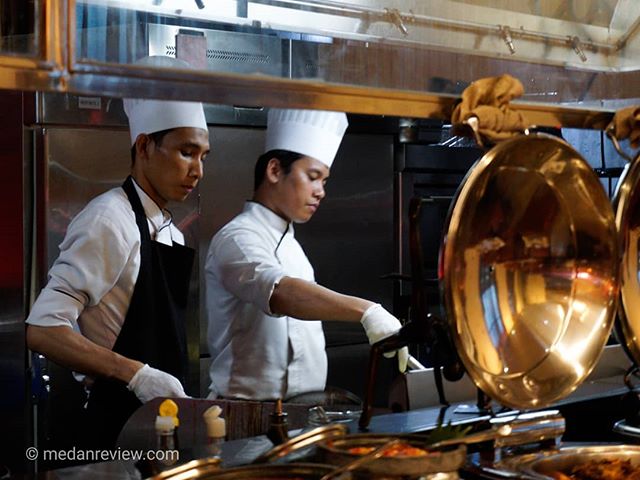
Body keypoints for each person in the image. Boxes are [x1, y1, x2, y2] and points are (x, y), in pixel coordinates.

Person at [25, 66, 210, 448]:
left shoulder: (170, 230)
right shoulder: (109, 218)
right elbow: (42, 330)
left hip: (163, 426)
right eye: (186, 152)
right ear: (144, 147)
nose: (198, 170)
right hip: (116, 429)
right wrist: (138, 375)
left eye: (204, 155)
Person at [205, 108, 408, 401]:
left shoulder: (291, 245)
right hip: (247, 415)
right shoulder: (237, 238)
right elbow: (280, 292)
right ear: (274, 170)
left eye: (324, 181)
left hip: (299, 413)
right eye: (313, 177)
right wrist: (366, 311)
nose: (321, 192)